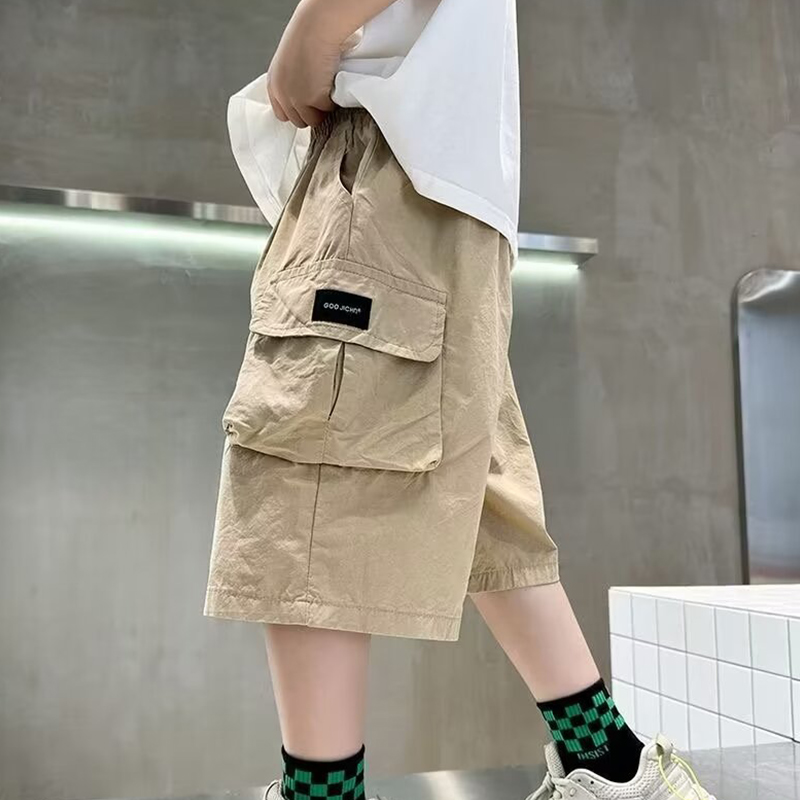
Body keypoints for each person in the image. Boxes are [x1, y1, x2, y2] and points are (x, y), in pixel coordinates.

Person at [204, 1, 715, 799]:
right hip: (443, 186)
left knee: (308, 481)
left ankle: (321, 795)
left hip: (383, 166)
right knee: (468, 480)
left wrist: (307, 36)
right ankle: (612, 766)